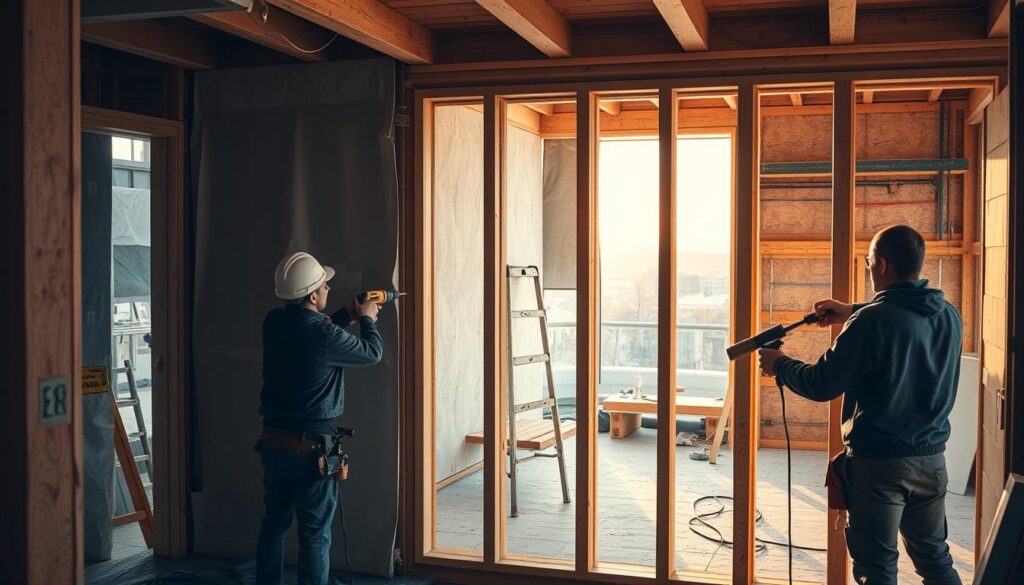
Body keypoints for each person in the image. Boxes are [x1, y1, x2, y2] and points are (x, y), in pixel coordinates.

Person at [758, 225, 963, 585]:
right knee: (935, 560)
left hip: (880, 467)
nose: (868, 269)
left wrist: (780, 364)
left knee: (877, 569)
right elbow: (904, 317)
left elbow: (822, 383)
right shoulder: (948, 314)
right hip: (932, 462)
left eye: (868, 263)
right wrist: (850, 309)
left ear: (881, 265)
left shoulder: (870, 322)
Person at [256, 251, 382, 585]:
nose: (327, 288)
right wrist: (367, 318)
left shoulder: (273, 322)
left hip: (273, 444)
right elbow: (372, 353)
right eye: (325, 285)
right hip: (311, 453)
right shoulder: (325, 336)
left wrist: (347, 314)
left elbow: (312, 335)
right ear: (313, 295)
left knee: (274, 525)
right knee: (314, 534)